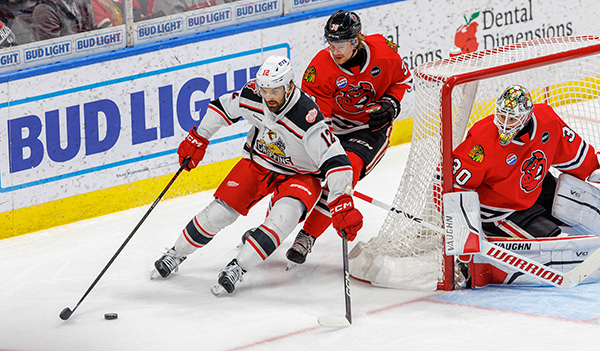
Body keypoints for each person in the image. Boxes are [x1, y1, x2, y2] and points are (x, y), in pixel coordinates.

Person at [151, 55, 363, 295]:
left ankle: (238, 268)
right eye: (265, 90)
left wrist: (341, 201)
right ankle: (175, 254)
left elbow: (337, 161)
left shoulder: (307, 117)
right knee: (219, 213)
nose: (268, 97)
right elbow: (222, 107)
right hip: (258, 163)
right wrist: (199, 136)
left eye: (275, 91)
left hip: (300, 176)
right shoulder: (253, 94)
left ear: (290, 86)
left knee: (283, 219)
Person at [284, 9, 412, 267]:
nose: (335, 50)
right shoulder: (320, 67)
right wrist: (325, 153)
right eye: (330, 43)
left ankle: (307, 236)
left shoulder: (385, 53)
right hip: (330, 127)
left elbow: (402, 80)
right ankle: (277, 226)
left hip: (369, 131)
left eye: (340, 43)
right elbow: (318, 120)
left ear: (356, 41)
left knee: (343, 176)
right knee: (298, 173)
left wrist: (391, 104)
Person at [452, 85, 600, 239]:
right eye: (502, 116)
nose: (505, 124)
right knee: (551, 242)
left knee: (586, 206)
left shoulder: (547, 120)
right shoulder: (482, 140)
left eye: (512, 119)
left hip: (532, 189)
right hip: (498, 209)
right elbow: (457, 185)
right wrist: (465, 231)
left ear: (527, 116)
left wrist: (594, 168)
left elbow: (573, 153)